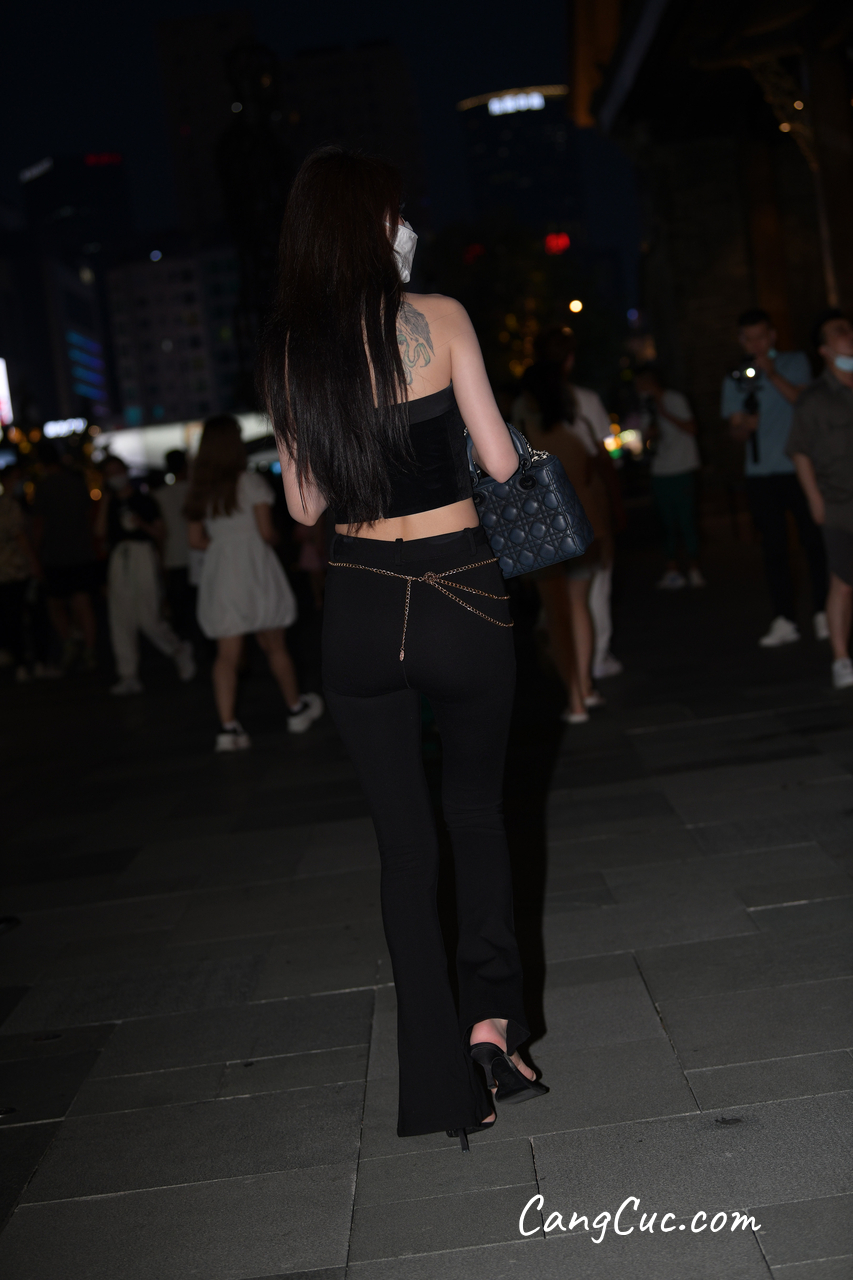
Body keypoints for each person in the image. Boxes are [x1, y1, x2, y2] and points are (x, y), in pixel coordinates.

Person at [259, 147, 547, 1151]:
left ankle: (435, 1088)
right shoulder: (443, 317)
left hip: (362, 606)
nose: (405, 222)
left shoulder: (292, 351)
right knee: (476, 812)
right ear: (373, 226)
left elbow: (304, 505)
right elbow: (501, 463)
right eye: (393, 211)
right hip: (461, 590)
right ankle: (491, 1028)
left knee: (402, 845)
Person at [185, 415, 323, 750]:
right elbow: (266, 533)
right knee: (274, 644)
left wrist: (225, 545)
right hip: (255, 568)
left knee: (226, 654)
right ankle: (295, 710)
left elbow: (195, 540)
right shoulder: (250, 483)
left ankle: (228, 728)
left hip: (222, 571)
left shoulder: (201, 490)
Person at [513, 347, 611, 723]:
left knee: (557, 615)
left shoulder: (522, 435)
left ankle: (575, 699)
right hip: (585, 524)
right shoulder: (577, 428)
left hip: (543, 531)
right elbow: (592, 473)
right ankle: (585, 686)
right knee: (579, 607)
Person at [721, 307, 827, 646]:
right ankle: (784, 618)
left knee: (814, 542)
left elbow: (804, 402)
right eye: (749, 339)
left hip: (799, 469)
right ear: (741, 340)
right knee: (773, 548)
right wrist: (743, 427)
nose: (756, 345)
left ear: (772, 336)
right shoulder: (735, 377)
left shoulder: (794, 362)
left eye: (762, 337)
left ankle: (824, 610)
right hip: (760, 473)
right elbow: (734, 431)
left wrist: (773, 373)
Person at [787, 310, 853, 690]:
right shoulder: (814, 399)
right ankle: (841, 658)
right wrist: (814, 499)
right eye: (840, 332)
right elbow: (800, 451)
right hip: (840, 504)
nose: (849, 336)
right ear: (825, 349)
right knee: (843, 582)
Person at [95, 456, 196, 695]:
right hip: (119, 557)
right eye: (110, 473)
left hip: (142, 554)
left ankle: (178, 649)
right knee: (120, 618)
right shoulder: (109, 502)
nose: (115, 476)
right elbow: (99, 533)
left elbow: (161, 534)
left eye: (117, 470)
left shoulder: (144, 499)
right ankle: (128, 674)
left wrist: (141, 524)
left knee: (148, 616)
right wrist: (105, 501)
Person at [636, 364, 704, 589]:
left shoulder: (675, 399)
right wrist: (649, 434)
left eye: (640, 384)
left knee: (687, 520)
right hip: (660, 470)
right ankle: (672, 569)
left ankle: (694, 568)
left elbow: (692, 427)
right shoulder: (645, 406)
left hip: (682, 468)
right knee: (666, 524)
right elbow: (646, 441)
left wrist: (665, 414)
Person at [32, 441, 98, 671]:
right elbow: (90, 514)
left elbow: (39, 524)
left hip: (56, 554)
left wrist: (36, 553)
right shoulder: (75, 481)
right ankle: (89, 649)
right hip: (80, 550)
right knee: (82, 601)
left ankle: (70, 642)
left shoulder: (44, 486)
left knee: (56, 602)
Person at [0, 462, 38, 682]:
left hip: (8, 570)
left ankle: (20, 660)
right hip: (15, 569)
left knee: (11, 616)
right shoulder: (10, 505)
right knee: (20, 615)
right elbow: (19, 536)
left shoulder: (15, 503)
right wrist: (34, 563)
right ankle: (24, 662)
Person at [153, 450, 196, 640]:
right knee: (198, 603)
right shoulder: (195, 490)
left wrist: (161, 558)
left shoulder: (159, 495)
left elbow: (160, 532)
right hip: (197, 554)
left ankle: (184, 643)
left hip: (172, 557)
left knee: (180, 607)